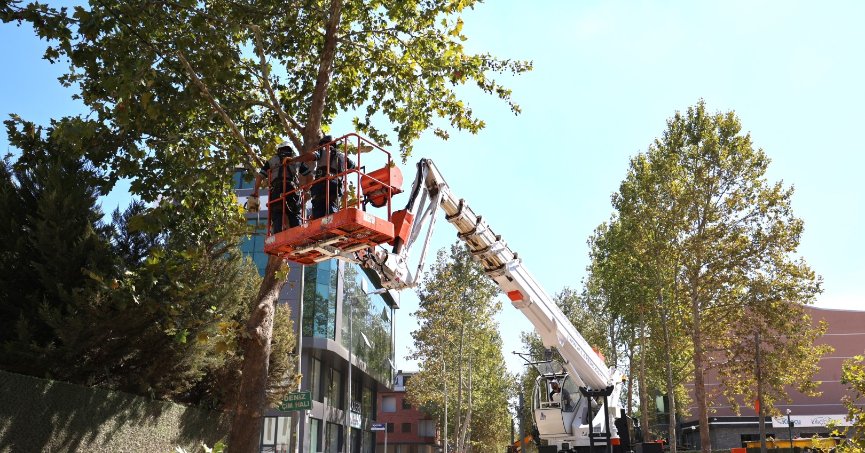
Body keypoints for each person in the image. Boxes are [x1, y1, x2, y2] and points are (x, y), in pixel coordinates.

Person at [253, 142, 305, 233]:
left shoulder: (271, 161)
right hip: (291, 189)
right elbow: (309, 175)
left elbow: (259, 176)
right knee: (294, 213)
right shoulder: (296, 160)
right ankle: (298, 234)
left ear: (279, 150)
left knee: (277, 213)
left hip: (276, 190)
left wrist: (256, 192)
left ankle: (278, 234)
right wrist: (306, 189)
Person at [309, 135, 356, 219]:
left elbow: (312, 156)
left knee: (318, 212)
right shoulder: (342, 156)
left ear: (323, 144)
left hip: (321, 184)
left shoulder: (322, 150)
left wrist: (295, 160)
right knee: (332, 210)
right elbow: (353, 166)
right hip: (336, 185)